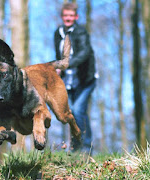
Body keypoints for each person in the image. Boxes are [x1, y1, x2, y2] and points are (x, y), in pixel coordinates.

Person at [54, 2, 97, 153]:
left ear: (76, 17)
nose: (68, 18)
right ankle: (76, 146)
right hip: (68, 81)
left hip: (86, 80)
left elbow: (84, 53)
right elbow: (58, 55)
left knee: (78, 110)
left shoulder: (81, 32)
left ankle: (86, 146)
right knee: (71, 112)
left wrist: (66, 64)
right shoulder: (58, 33)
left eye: (71, 16)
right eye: (66, 15)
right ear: (62, 16)